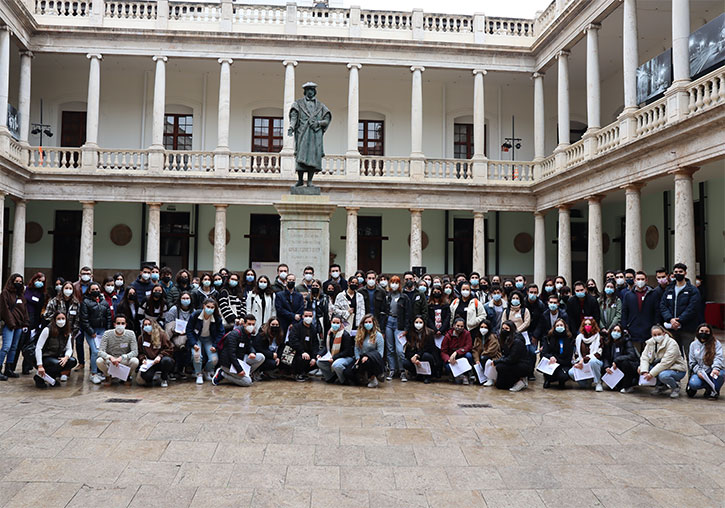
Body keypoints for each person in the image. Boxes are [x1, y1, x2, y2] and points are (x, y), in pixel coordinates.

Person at [659, 263, 701, 357]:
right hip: (672, 329)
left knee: (688, 354)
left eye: (680, 272)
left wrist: (679, 320)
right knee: (674, 354)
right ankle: (678, 371)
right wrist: (670, 319)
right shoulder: (669, 289)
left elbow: (692, 308)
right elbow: (663, 305)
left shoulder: (692, 290)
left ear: (685, 273)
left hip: (687, 328)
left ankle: (689, 371)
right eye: (676, 272)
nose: (678, 274)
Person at [213, 314, 265, 386]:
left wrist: (252, 352)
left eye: (253, 324)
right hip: (228, 363)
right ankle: (222, 373)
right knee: (247, 382)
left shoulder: (247, 334)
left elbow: (249, 346)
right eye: (249, 324)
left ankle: (246, 374)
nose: (251, 326)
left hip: (240, 358)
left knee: (261, 357)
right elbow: (231, 354)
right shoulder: (235, 334)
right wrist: (239, 370)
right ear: (244, 324)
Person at [43, 281, 81, 379]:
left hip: (69, 332)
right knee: (55, 350)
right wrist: (58, 320)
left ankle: (65, 373)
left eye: (70, 288)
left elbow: (77, 319)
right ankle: (53, 371)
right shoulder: (55, 301)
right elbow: (46, 315)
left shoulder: (76, 303)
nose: (68, 290)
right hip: (54, 331)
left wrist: (73, 332)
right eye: (66, 288)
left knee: (68, 351)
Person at [638, 324, 687, 398]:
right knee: (640, 368)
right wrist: (644, 371)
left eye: (659, 334)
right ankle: (661, 386)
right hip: (660, 366)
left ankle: (675, 387)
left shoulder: (672, 343)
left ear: (664, 333)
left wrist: (651, 374)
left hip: (676, 368)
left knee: (663, 375)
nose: (657, 336)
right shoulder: (650, 343)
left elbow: (665, 363)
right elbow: (645, 357)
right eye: (654, 335)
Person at [33, 312, 78, 388]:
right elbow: (38, 348)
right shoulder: (47, 330)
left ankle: (51, 377)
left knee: (72, 361)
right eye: (58, 319)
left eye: (63, 319)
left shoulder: (67, 332)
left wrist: (66, 358)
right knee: (56, 363)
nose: (61, 321)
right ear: (54, 320)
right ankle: (40, 377)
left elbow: (69, 348)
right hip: (46, 357)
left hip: (58, 356)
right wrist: (40, 365)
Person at [186, 298, 224, 385]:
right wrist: (193, 344)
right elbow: (189, 330)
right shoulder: (195, 315)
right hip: (197, 338)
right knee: (197, 356)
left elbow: (221, 332)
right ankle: (198, 374)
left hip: (209, 339)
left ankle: (207, 370)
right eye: (208, 306)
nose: (210, 309)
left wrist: (215, 345)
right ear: (204, 306)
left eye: (212, 307)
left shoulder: (217, 318)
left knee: (214, 359)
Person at [80, 282, 112, 384]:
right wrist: (91, 331)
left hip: (102, 330)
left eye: (97, 289)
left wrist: (107, 330)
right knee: (94, 351)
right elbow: (84, 319)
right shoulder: (85, 302)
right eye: (93, 289)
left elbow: (108, 317)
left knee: (102, 352)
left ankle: (101, 372)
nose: (95, 291)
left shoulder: (104, 302)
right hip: (91, 331)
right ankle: (93, 373)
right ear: (89, 291)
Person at [0, 273, 29, 380]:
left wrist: (26, 323)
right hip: (10, 325)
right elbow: (5, 310)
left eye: (20, 282)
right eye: (16, 281)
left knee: (14, 348)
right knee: (6, 347)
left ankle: (9, 369)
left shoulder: (21, 294)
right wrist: (11, 323)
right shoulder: (5, 293)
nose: (18, 283)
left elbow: (24, 310)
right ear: (11, 281)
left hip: (19, 326)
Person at [96, 315, 139, 384]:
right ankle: (108, 375)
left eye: (122, 323)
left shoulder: (131, 334)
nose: (120, 325)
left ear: (125, 325)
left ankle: (127, 376)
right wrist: (110, 357)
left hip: (124, 360)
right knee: (99, 361)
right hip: (110, 360)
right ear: (114, 324)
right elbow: (100, 351)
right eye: (118, 323)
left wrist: (122, 357)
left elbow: (135, 352)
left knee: (135, 361)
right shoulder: (107, 334)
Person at [621, 271, 657, 353]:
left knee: (649, 357)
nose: (640, 281)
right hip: (633, 331)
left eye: (642, 279)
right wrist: (625, 327)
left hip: (649, 331)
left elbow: (656, 311)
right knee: (635, 356)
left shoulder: (653, 294)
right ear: (634, 281)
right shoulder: (628, 295)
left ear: (646, 280)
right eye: (638, 279)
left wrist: (655, 326)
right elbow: (624, 312)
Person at [346, 314, 385, 387]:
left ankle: (372, 378)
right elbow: (356, 348)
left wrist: (368, 356)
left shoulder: (378, 336)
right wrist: (357, 358)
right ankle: (361, 378)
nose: (368, 324)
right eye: (366, 322)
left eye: (370, 322)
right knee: (348, 372)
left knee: (366, 362)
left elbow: (380, 353)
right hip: (360, 358)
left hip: (373, 359)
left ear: (373, 323)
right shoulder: (360, 334)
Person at [686, 323, 723, 399]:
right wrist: (698, 371)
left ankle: (714, 390)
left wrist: (716, 368)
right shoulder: (693, 345)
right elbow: (692, 362)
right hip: (700, 371)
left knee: (721, 374)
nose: (704, 333)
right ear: (697, 332)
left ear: (710, 333)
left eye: (706, 332)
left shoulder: (716, 343)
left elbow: (718, 357)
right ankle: (707, 385)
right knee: (694, 384)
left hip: (712, 370)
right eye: (701, 331)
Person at [385, 275, 410, 380]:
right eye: (392, 282)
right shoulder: (388, 296)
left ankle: (402, 370)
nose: (394, 284)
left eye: (396, 282)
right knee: (390, 349)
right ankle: (392, 369)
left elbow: (408, 313)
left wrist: (406, 328)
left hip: (399, 323)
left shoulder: (404, 297)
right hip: (389, 322)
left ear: (400, 284)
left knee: (399, 350)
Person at [164, 290, 194, 380]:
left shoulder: (193, 311)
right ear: (179, 299)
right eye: (183, 298)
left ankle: (180, 370)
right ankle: (172, 371)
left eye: (187, 298)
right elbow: (168, 323)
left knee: (184, 346)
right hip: (174, 333)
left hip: (186, 334)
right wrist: (176, 331)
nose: (185, 300)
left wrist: (186, 332)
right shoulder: (174, 309)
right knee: (174, 346)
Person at [601, 324, 639, 393]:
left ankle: (627, 386)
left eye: (618, 331)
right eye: (614, 330)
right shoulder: (608, 342)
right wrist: (607, 366)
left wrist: (617, 361)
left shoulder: (627, 341)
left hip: (626, 367)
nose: (616, 333)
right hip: (614, 369)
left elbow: (632, 355)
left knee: (625, 363)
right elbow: (605, 357)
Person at [136, 319, 174, 387]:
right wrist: (143, 359)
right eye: (145, 325)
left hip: (161, 360)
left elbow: (169, 349)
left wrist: (160, 356)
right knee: (146, 376)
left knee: (167, 361)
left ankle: (164, 378)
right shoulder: (141, 338)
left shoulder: (162, 335)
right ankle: (151, 377)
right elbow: (140, 352)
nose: (147, 326)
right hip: (149, 363)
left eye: (149, 324)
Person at [568, 317, 603, 391]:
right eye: (585, 324)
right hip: (582, 363)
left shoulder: (599, 337)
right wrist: (577, 363)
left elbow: (598, 354)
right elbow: (577, 354)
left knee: (593, 361)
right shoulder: (579, 338)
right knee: (571, 372)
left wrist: (583, 359)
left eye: (589, 324)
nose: (587, 326)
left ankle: (598, 382)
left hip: (596, 362)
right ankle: (586, 383)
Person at [493, 320, 529, 392]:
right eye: (503, 329)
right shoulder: (506, 339)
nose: (504, 331)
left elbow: (512, 359)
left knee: (500, 366)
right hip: (512, 363)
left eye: (507, 329)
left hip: (521, 365)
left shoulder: (517, 341)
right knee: (499, 385)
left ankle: (521, 381)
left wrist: (497, 361)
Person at [317, 315, 355, 384]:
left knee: (336, 365)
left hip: (346, 357)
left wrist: (334, 357)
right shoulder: (330, 333)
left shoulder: (345, 334)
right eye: (334, 322)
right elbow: (327, 347)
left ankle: (343, 380)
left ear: (341, 324)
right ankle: (330, 377)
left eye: (338, 323)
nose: (335, 325)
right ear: (331, 322)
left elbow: (346, 351)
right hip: (332, 356)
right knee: (319, 362)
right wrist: (320, 354)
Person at [402, 315, 439, 383]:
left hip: (426, 355)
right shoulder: (410, 333)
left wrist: (417, 355)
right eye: (416, 322)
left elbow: (430, 348)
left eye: (420, 322)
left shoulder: (429, 333)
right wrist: (413, 358)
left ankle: (428, 376)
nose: (418, 324)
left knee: (426, 356)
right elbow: (408, 349)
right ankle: (418, 374)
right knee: (405, 363)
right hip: (416, 358)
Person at [540, 318, 574, 389]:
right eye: (557, 325)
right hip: (551, 362)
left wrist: (557, 360)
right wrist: (551, 357)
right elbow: (544, 353)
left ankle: (561, 381)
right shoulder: (548, 338)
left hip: (564, 363)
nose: (559, 327)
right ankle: (548, 379)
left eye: (561, 325)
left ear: (565, 327)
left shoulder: (569, 339)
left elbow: (569, 357)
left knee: (562, 376)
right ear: (554, 327)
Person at [287, 308, 320, 381]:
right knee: (301, 359)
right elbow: (293, 341)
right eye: (306, 316)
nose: (308, 318)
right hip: (296, 352)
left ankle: (304, 372)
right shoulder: (296, 327)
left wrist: (314, 357)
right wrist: (302, 352)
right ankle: (297, 374)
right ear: (302, 316)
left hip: (309, 352)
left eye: (310, 316)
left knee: (317, 360)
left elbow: (315, 344)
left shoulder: (313, 329)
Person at [440, 317, 473, 384]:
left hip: (461, 355)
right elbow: (443, 351)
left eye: (461, 326)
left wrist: (457, 352)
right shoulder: (448, 336)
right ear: (454, 325)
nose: (459, 328)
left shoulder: (467, 334)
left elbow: (468, 346)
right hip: (451, 358)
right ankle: (455, 375)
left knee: (469, 355)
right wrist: (448, 359)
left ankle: (467, 374)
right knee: (447, 366)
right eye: (458, 326)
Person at [472, 318, 501, 386]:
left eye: (485, 327)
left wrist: (482, 355)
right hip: (481, 359)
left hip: (492, 357)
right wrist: (477, 360)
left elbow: (492, 350)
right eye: (481, 327)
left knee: (484, 358)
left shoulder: (492, 337)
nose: (483, 329)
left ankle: (489, 378)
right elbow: (475, 350)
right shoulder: (477, 337)